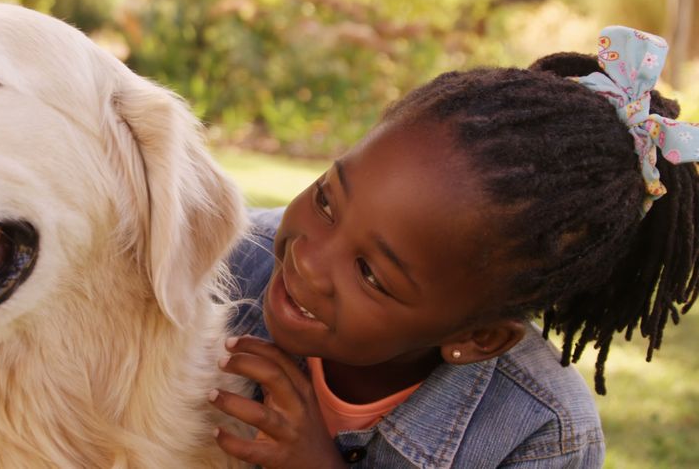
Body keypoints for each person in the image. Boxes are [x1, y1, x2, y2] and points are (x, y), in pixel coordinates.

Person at [208, 26, 699, 468]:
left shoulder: (543, 434)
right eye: (326, 202)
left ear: (480, 338)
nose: (309, 262)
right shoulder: (223, 258)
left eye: (371, 274)